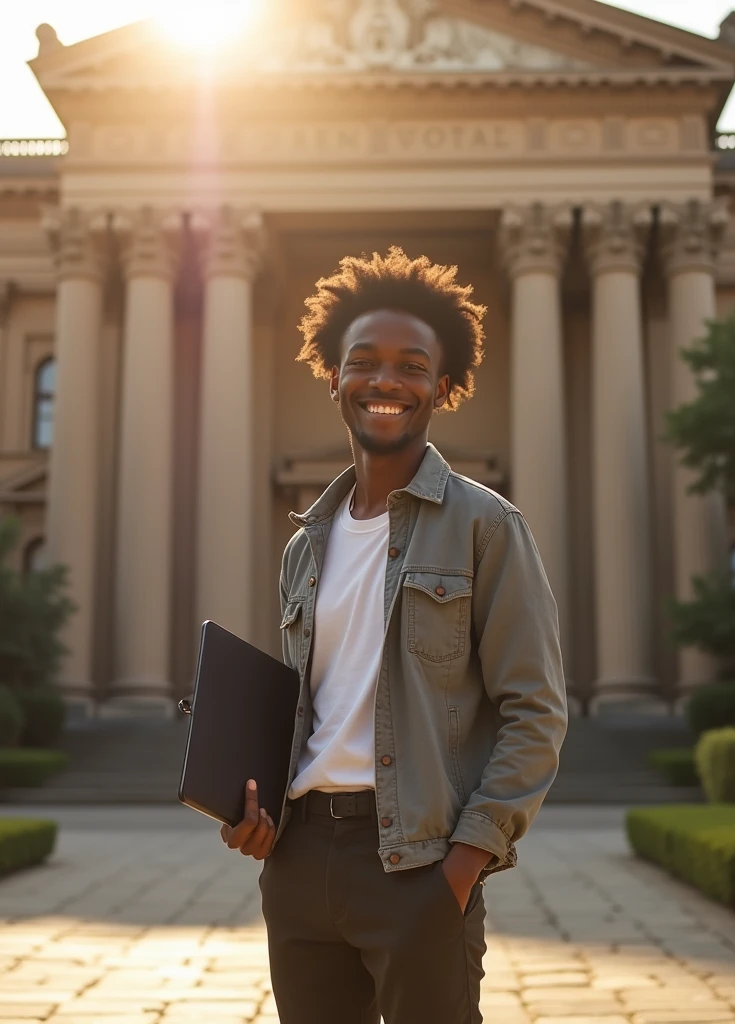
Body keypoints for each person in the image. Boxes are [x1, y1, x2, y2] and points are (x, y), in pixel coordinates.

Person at [220, 247, 568, 1024]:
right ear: (334, 378)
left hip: (417, 864)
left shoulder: (488, 527)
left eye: (412, 366)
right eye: (365, 363)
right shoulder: (304, 546)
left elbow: (535, 710)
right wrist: (259, 810)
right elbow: (310, 715)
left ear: (443, 387)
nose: (387, 381)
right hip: (300, 865)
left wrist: (463, 865)